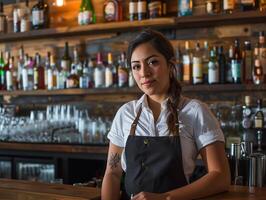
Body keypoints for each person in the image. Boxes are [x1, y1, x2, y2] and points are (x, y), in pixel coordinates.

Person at [101, 29, 230, 200]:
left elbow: (220, 176)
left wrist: (165, 198)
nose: (144, 73)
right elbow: (113, 173)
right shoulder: (125, 113)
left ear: (170, 66)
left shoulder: (195, 111)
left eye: (152, 62)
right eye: (136, 66)